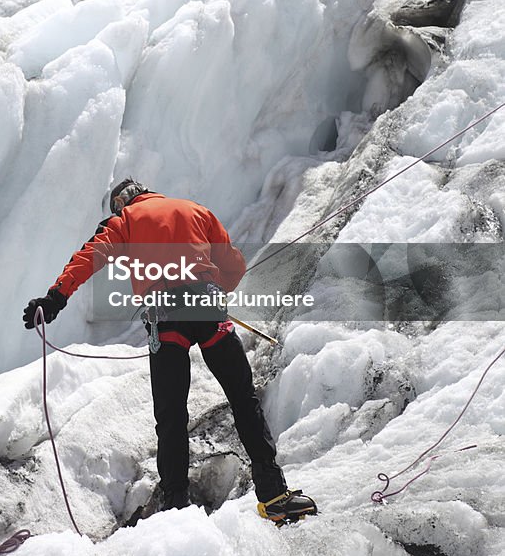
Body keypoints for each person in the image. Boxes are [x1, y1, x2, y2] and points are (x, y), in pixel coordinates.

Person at [23, 178, 317, 526]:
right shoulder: (195, 210)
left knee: (172, 416)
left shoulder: (125, 221)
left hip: (166, 319)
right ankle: (274, 495)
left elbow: (90, 257)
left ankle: (176, 508)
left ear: (120, 202)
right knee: (243, 398)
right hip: (209, 310)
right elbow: (234, 266)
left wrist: (55, 297)